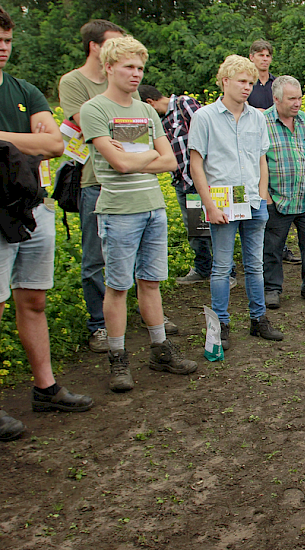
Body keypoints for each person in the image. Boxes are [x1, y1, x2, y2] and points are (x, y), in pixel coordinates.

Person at [79, 36, 198, 392]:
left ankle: (160, 350)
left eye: (140, 68)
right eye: (129, 67)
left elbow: (170, 160)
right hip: (118, 212)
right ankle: (118, 359)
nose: (135, 74)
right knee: (117, 286)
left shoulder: (147, 112)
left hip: (152, 209)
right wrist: (145, 156)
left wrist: (137, 159)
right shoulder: (95, 110)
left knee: (151, 282)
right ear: (110, 67)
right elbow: (116, 164)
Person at [0, 7, 92, 441]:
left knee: (33, 300)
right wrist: (27, 141)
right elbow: (38, 140)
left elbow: (54, 142)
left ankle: (45, 387)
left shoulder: (24, 90)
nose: (3, 48)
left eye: (8, 40)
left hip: (33, 208)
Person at [189, 54, 283, 350]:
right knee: (222, 266)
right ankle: (221, 324)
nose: (247, 87)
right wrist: (209, 205)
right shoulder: (204, 117)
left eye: (251, 82)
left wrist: (263, 195)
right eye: (242, 81)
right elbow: (196, 163)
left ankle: (258, 319)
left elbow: (261, 158)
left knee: (255, 265)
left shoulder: (258, 116)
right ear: (225, 81)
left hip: (253, 201)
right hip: (223, 202)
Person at [57, 19, 127, 353]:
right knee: (94, 257)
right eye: (115, 45)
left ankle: (137, 315)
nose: (123, 53)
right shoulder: (72, 82)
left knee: (136, 252)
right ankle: (99, 325)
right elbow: (85, 127)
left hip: (129, 180)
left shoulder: (126, 78)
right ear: (95, 47)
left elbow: (135, 131)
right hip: (93, 181)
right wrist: (112, 126)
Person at [139, 84, 237, 289]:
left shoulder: (184, 104)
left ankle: (227, 272)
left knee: (216, 226)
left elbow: (210, 132)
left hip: (203, 179)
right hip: (183, 181)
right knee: (196, 230)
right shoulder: (159, 121)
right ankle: (203, 268)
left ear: (149, 102)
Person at [262, 75, 305, 308]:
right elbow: (256, 160)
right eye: (291, 98)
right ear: (276, 99)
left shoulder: (304, 120)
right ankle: (272, 288)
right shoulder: (263, 123)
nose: (297, 103)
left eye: (300, 98)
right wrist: (266, 197)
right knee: (272, 247)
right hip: (277, 198)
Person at [247, 39, 275, 111]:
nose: (265, 59)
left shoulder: (277, 83)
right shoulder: (246, 84)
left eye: (268, 56)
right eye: (261, 55)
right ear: (251, 57)